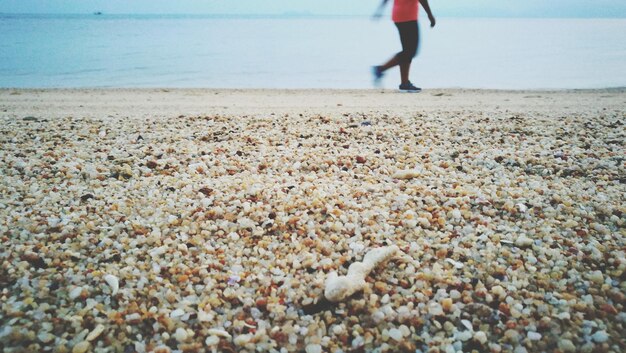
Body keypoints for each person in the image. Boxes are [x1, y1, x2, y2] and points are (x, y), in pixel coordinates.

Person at [372, 0, 436, 92]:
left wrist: (380, 10)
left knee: (407, 51)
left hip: (398, 15)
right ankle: (381, 69)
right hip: (408, 16)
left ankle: (404, 83)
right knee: (410, 51)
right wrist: (430, 15)